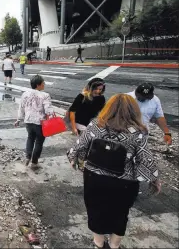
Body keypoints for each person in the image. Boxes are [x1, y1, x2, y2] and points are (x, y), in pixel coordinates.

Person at [67, 94, 161, 249]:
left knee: (95, 209)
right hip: (124, 182)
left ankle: (98, 244)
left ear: (108, 108)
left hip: (94, 178)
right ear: (133, 111)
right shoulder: (138, 132)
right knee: (120, 214)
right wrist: (154, 179)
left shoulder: (96, 125)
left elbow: (78, 148)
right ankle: (114, 246)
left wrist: (76, 161)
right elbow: (145, 159)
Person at [15, 75, 53, 170]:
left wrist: (19, 119)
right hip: (40, 122)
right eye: (43, 83)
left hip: (28, 121)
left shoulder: (25, 94)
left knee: (30, 138)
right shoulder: (45, 95)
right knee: (39, 141)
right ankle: (34, 162)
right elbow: (48, 110)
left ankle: (28, 157)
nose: (44, 84)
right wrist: (51, 119)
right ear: (38, 85)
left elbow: (21, 107)